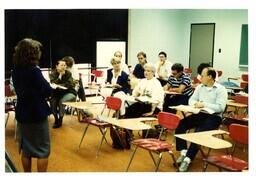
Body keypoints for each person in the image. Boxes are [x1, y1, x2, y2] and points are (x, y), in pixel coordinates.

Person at [11, 38, 54, 172]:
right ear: (32, 53)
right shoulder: (34, 70)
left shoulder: (15, 70)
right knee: (43, 151)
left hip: (22, 113)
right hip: (36, 113)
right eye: (38, 51)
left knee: (26, 150)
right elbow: (47, 90)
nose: (39, 53)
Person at [175, 67, 228, 172]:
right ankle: (184, 152)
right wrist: (195, 104)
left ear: (210, 77)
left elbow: (220, 107)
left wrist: (204, 104)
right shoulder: (200, 87)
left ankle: (188, 159)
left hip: (214, 117)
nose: (200, 77)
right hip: (200, 114)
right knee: (180, 124)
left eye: (202, 75)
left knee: (198, 134)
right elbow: (191, 100)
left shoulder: (221, 89)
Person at [49, 59, 77, 128]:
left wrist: (59, 85)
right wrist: (60, 76)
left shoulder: (68, 73)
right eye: (62, 65)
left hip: (68, 92)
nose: (64, 67)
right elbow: (53, 83)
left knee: (62, 102)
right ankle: (56, 119)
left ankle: (60, 119)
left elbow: (69, 84)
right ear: (56, 66)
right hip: (56, 92)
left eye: (65, 65)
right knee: (52, 102)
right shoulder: (52, 73)